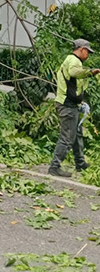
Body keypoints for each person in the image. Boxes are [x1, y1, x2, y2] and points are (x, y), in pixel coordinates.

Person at [48, 38, 100, 177]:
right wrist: (90, 72)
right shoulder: (73, 60)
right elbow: (73, 72)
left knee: (77, 135)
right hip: (67, 105)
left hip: (71, 104)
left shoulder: (71, 60)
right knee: (67, 137)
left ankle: (80, 163)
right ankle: (54, 167)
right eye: (87, 52)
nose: (88, 55)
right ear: (82, 49)